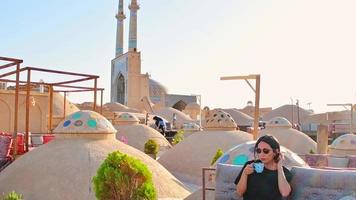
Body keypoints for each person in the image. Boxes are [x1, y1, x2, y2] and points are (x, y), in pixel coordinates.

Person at [235, 135, 292, 200]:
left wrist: (279, 168)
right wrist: (244, 174)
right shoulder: (250, 166)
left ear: (275, 152)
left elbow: (285, 193)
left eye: (266, 151)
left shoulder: (284, 172)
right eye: (259, 151)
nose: (261, 154)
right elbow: (239, 193)